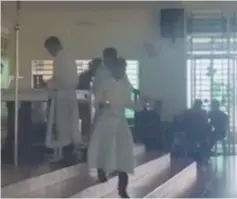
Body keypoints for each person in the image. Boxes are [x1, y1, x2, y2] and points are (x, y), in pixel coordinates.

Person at [88, 50, 143, 198]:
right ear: (113, 69)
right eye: (119, 68)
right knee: (105, 149)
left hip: (120, 122)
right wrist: (102, 105)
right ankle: (101, 170)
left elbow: (128, 102)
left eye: (124, 69)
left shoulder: (126, 84)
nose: (121, 71)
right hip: (107, 120)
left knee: (123, 154)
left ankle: (122, 187)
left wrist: (140, 105)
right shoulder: (105, 83)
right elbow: (97, 100)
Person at [44, 36, 81, 162]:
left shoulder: (60, 59)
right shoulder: (69, 57)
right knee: (70, 125)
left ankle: (64, 154)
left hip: (63, 96)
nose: (50, 53)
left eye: (49, 49)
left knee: (63, 126)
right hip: (69, 95)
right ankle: (68, 152)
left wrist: (48, 84)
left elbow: (60, 79)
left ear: (54, 46)